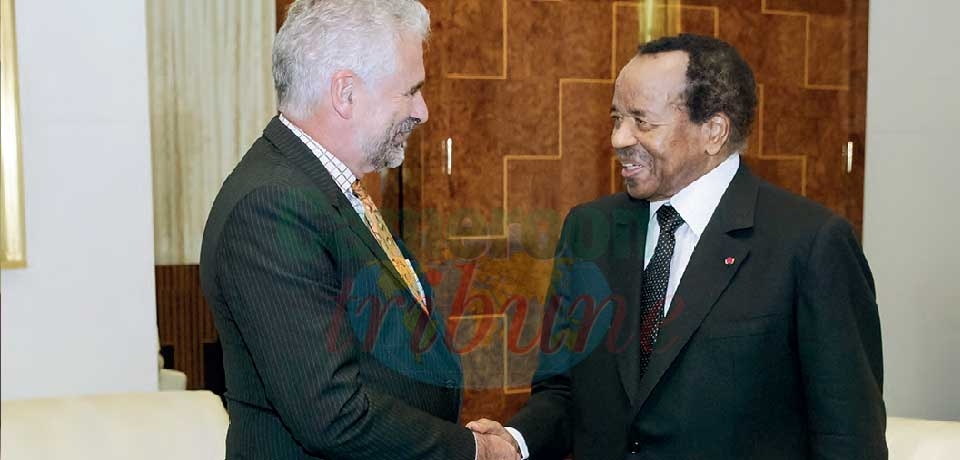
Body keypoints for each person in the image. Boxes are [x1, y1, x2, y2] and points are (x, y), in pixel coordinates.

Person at [468, 34, 887, 459]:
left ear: (713, 131)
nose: (618, 138)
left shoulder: (810, 243)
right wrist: (516, 441)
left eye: (641, 121)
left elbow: (849, 438)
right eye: (616, 118)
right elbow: (564, 390)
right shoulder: (589, 230)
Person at [199, 1, 518, 459]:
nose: (423, 111)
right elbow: (333, 413)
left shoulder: (323, 186)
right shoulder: (271, 207)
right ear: (345, 93)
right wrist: (473, 451)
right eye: (410, 91)